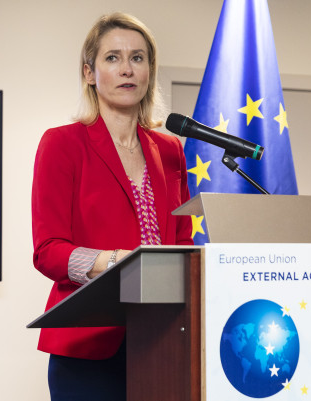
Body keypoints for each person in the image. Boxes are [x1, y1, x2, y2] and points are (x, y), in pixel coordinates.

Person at [31, 12, 193, 400]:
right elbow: (48, 251)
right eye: (112, 58)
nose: (127, 69)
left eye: (138, 58)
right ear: (89, 72)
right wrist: (119, 263)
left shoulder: (170, 150)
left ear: (150, 71)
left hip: (165, 341)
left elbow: (184, 241)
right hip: (89, 348)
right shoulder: (61, 144)